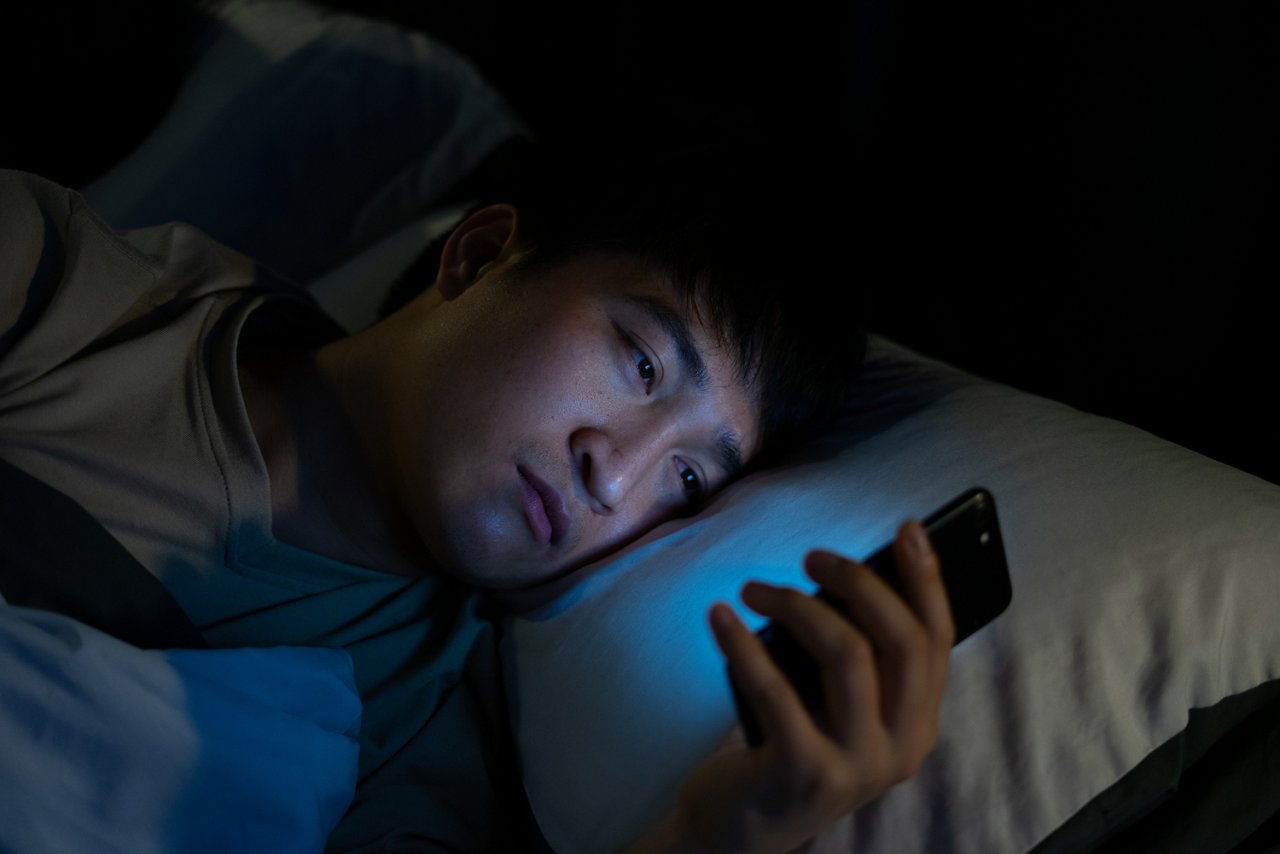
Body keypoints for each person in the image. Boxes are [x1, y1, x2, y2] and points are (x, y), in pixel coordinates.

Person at [0, 141, 953, 853]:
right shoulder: (68, 296)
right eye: (641, 363)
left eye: (689, 478)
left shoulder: (414, 734)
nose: (613, 477)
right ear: (479, 255)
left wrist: (716, 836)